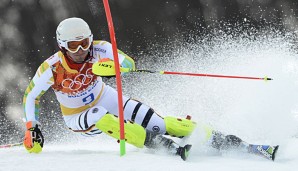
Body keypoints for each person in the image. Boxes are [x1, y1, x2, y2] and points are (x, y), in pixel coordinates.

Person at [23, 17, 279, 161]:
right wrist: (31, 128)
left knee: (157, 123)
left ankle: (237, 143)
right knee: (101, 116)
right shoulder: (52, 68)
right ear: (62, 45)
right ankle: (166, 148)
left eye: (84, 43)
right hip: (78, 116)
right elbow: (30, 97)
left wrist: (113, 66)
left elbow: (128, 62)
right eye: (73, 45)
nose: (80, 51)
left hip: (106, 97)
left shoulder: (99, 49)